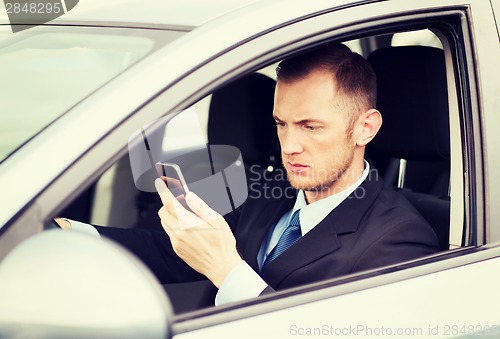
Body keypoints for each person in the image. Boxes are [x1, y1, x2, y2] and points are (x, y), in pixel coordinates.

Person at [56, 43, 439, 306]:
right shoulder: (268, 190)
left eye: (310, 126)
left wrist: (229, 272)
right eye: (281, 123)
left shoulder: (400, 241)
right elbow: (178, 254)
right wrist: (69, 234)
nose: (289, 145)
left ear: (365, 128)